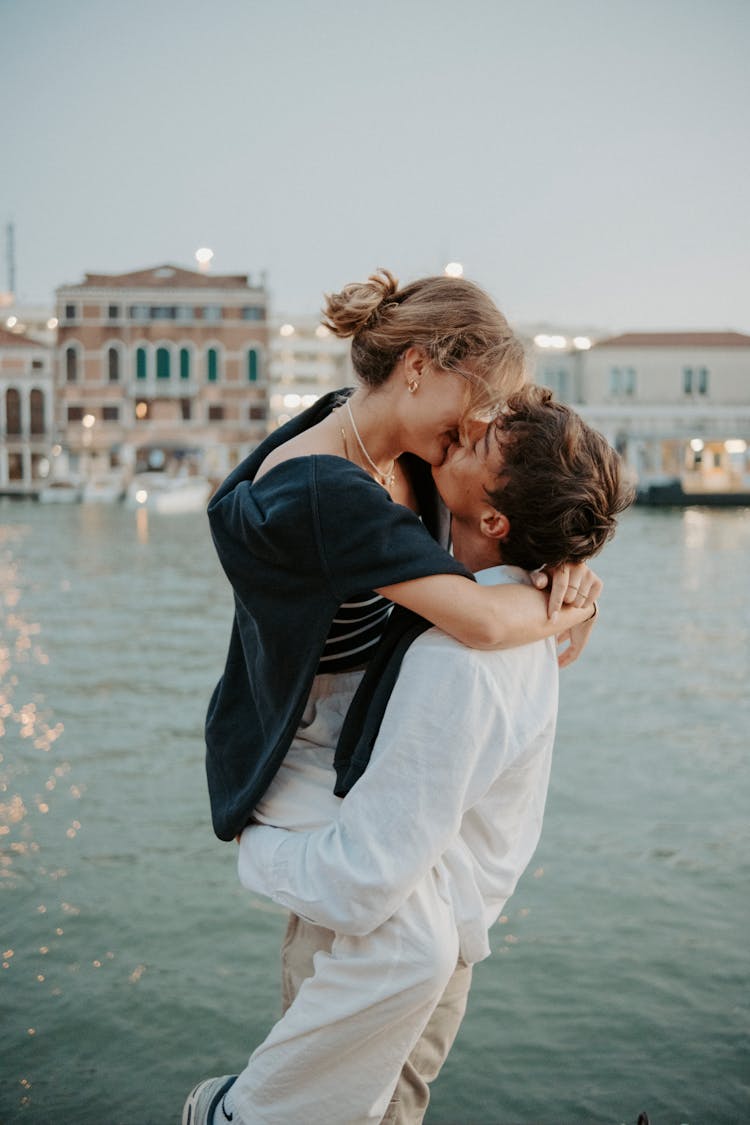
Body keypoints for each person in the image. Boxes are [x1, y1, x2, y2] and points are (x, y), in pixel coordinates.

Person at [183, 388, 632, 1125]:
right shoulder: (505, 603)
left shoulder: (459, 658)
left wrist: (256, 840)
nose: (466, 435)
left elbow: (365, 880)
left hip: (374, 949)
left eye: (483, 446)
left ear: (494, 519)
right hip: (410, 933)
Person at [203, 269, 601, 847]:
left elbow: (506, 507)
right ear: (416, 367)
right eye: (479, 399)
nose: (478, 423)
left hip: (377, 705)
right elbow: (484, 620)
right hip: (308, 736)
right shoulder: (325, 490)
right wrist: (576, 609)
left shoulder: (392, 441)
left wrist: (560, 559)